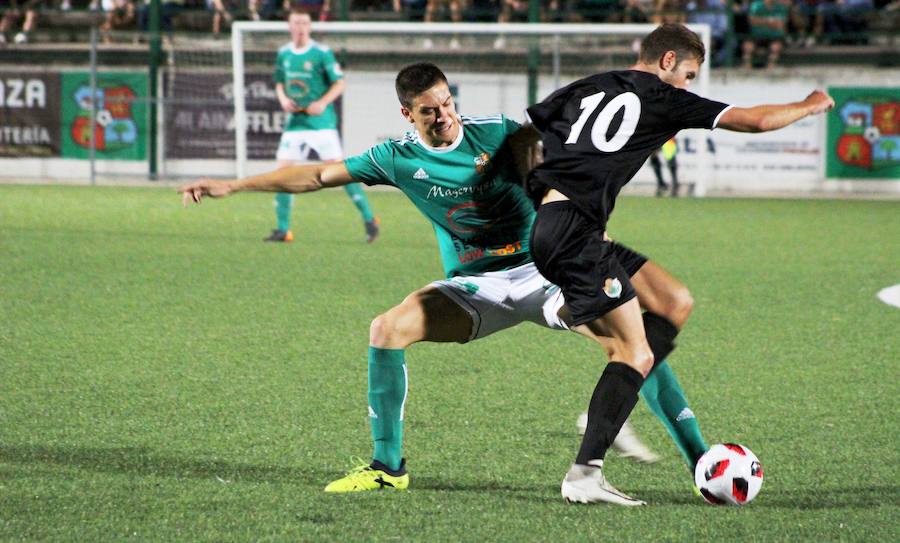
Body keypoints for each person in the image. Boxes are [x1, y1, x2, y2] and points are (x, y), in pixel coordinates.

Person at [179, 62, 717, 504]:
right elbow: (318, 175)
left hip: (542, 270)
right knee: (386, 329)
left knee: (632, 342)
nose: (443, 118)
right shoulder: (397, 158)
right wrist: (234, 184)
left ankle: (700, 460)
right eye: (429, 111)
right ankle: (388, 467)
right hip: (475, 287)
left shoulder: (502, 133)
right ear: (407, 114)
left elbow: (575, 162)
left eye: (447, 104)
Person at [524, 22, 833, 504]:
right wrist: (810, 105)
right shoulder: (663, 96)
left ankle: (612, 387)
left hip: (563, 226)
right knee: (635, 353)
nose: (689, 84)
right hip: (574, 235)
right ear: (667, 62)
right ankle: (586, 471)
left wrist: (548, 195)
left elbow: (532, 137)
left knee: (673, 301)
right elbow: (753, 121)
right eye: (688, 74)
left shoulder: (588, 86)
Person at [267, 8, 380, 243]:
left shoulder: (321, 53)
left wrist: (322, 103)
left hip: (321, 123)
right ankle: (282, 229)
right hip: (295, 123)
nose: (300, 27)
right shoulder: (284, 54)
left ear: (310, 26)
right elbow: (279, 82)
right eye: (296, 23)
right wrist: (282, 99)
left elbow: (339, 84)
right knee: (282, 174)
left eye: (304, 23)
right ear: (289, 26)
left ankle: (369, 218)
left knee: (338, 172)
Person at [741, 0, 789, 69]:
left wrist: (761, 21)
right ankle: (747, 67)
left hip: (775, 35)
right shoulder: (756, 5)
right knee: (748, 45)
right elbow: (752, 20)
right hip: (757, 35)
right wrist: (770, 21)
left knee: (775, 46)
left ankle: (770, 67)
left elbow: (781, 24)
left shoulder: (781, 7)